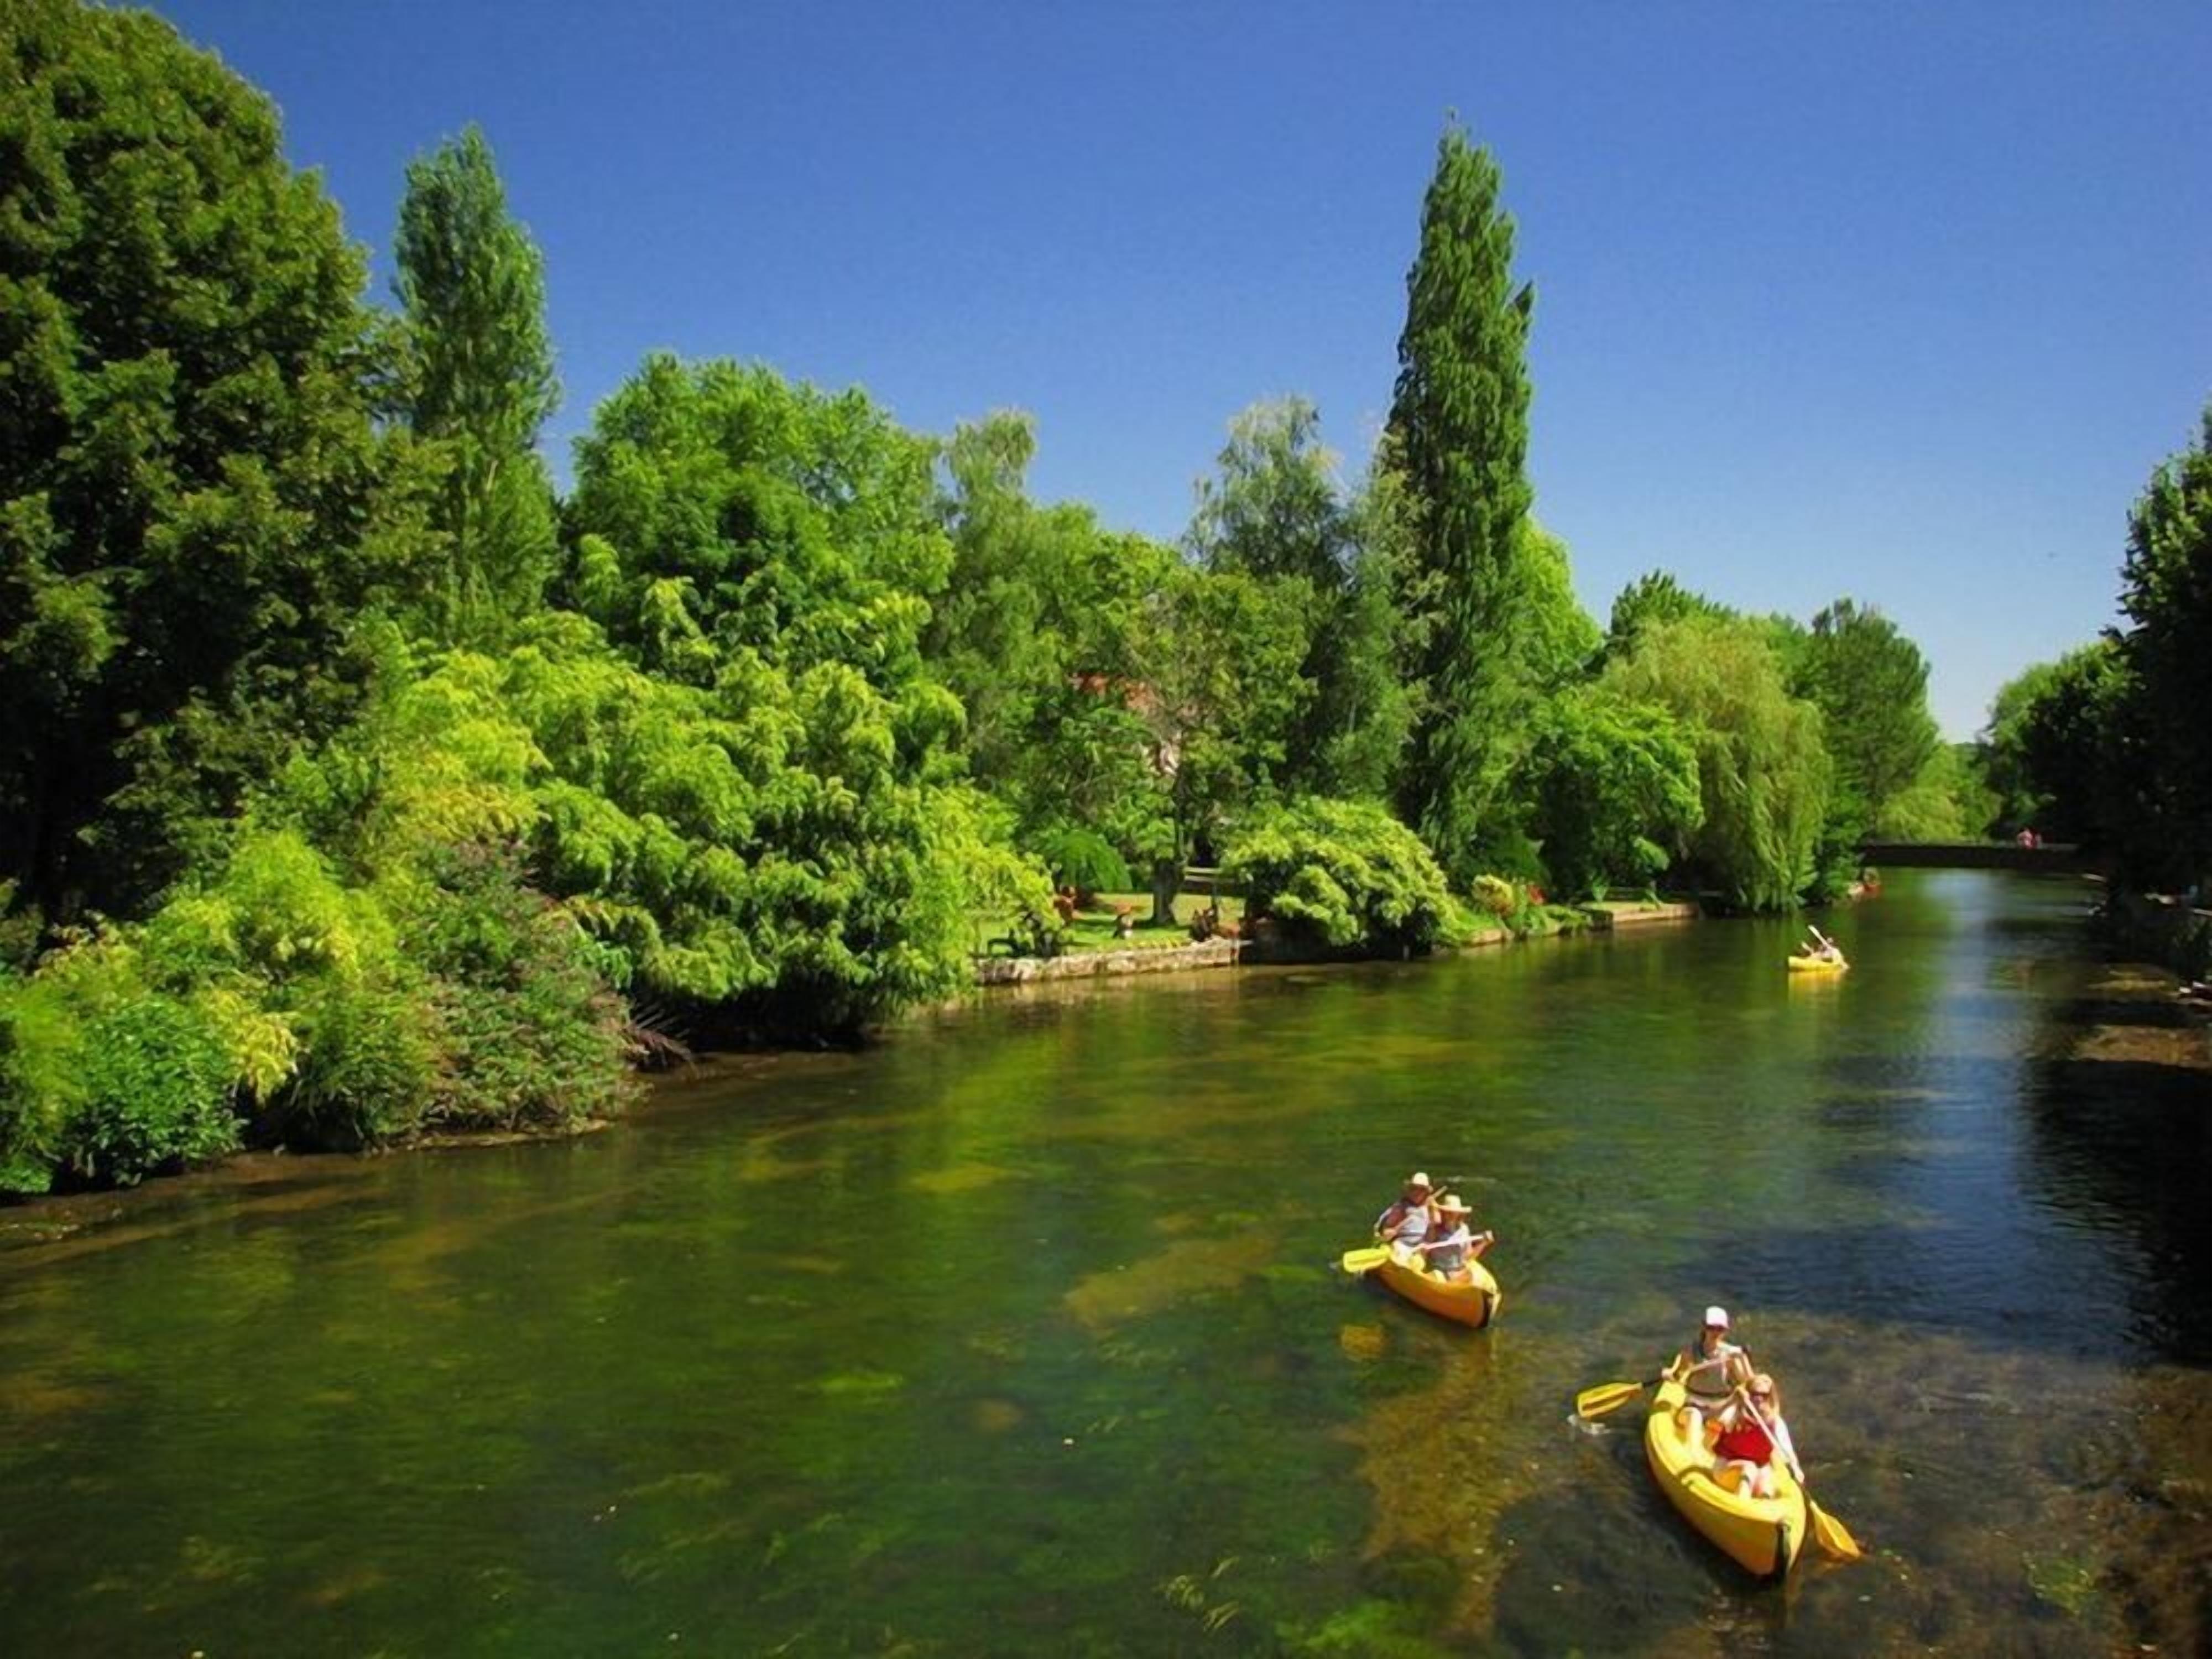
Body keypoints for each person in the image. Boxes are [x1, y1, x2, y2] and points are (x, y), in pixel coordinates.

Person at [1666, 1306, 1754, 1439]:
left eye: (1720, 1329)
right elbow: (1679, 1375)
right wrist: (1669, 1375)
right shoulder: (1691, 1351)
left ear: (1726, 1330)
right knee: (1694, 1419)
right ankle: (1693, 1456)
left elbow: (1748, 1383)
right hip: (1695, 1404)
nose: (1715, 1332)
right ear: (1704, 1327)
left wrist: (1744, 1360)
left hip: (1722, 1405)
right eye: (1711, 1327)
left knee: (1722, 1426)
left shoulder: (1731, 1355)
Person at [1710, 1373, 1800, 1499]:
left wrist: (1796, 1468)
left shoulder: (1774, 1421)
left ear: (1770, 1397)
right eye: (1754, 1394)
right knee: (1749, 1468)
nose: (1758, 1399)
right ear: (1747, 1393)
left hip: (1759, 1466)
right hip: (1726, 1467)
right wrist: (1732, 1400)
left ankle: (1762, 1505)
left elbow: (1787, 1449)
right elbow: (1711, 1417)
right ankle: (1741, 1504)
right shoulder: (1736, 1413)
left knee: (1766, 1489)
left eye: (1764, 1395)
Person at [1415, 1192, 1495, 1283]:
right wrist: (1424, 1249)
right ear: (1442, 1212)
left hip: (1458, 1271)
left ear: (1458, 1214)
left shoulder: (1464, 1229)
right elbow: (1424, 1250)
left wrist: (1484, 1243)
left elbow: (1468, 1256)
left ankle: (1459, 1285)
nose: (1450, 1214)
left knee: (1473, 1277)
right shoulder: (1435, 1228)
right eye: (1447, 1212)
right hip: (1439, 1272)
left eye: (1453, 1212)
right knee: (1438, 1277)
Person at [1374, 1172, 1437, 1263]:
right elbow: (1386, 1233)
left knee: (1419, 1260)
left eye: (1421, 1190)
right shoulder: (1401, 1207)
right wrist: (1395, 1230)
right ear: (1409, 1190)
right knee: (1399, 1251)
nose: (1417, 1192)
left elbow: (1433, 1230)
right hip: (1403, 1244)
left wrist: (1427, 1245)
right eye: (1414, 1189)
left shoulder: (1430, 1207)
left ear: (1426, 1192)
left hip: (1420, 1246)